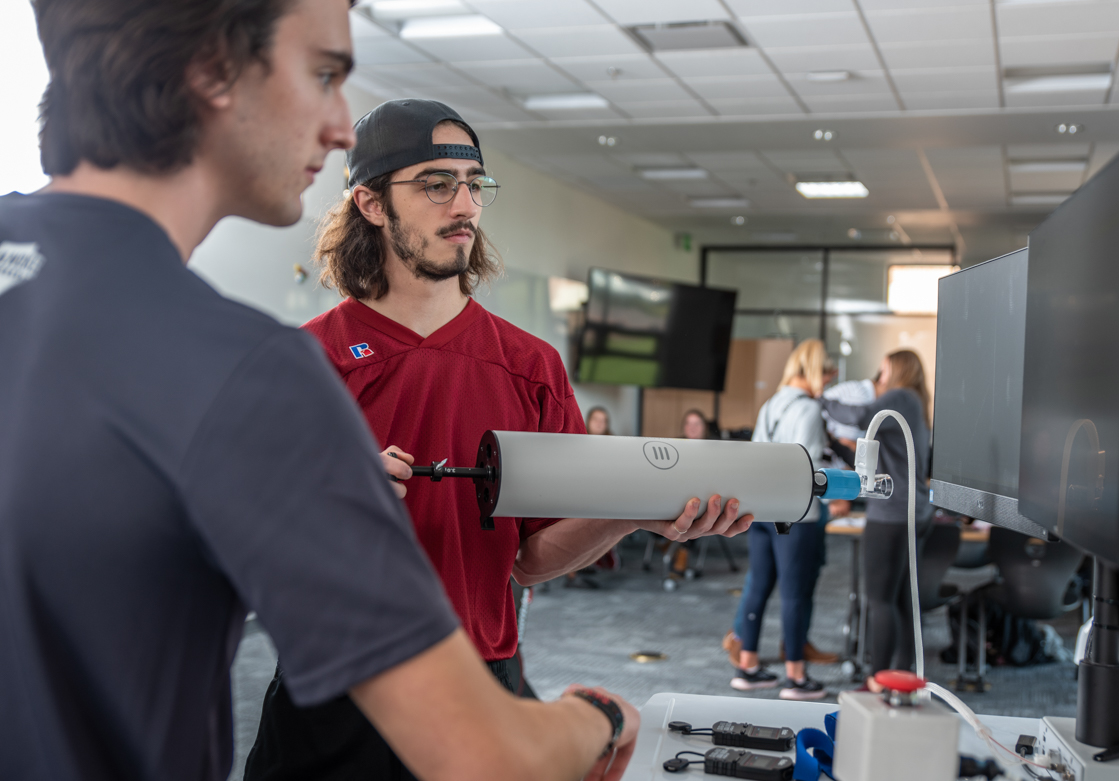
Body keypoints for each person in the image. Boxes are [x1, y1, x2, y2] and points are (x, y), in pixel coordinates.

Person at [0, 1, 640, 778]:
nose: (341, 126)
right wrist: (599, 716)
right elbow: (483, 754)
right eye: (324, 73)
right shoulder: (257, 369)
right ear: (211, 72)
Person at [244, 97, 754, 779]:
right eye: (435, 184)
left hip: (487, 682)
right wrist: (330, 496)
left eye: (473, 184)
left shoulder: (530, 366)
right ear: (369, 203)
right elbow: (246, 555)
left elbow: (530, 559)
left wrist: (630, 512)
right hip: (334, 690)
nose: (464, 204)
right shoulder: (303, 364)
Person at [730, 339, 833, 701]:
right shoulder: (807, 409)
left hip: (761, 508)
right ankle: (795, 676)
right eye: (828, 370)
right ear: (816, 371)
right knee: (795, 593)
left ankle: (748, 666)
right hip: (796, 514)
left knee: (758, 586)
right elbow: (808, 467)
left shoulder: (772, 403)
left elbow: (759, 455)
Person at [822, 349, 935, 674]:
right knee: (900, 598)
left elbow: (859, 417)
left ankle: (878, 679)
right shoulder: (914, 403)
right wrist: (837, 445)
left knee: (880, 599)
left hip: (892, 514)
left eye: (883, 370)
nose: (878, 377)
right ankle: (901, 674)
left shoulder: (900, 397)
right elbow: (876, 459)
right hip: (911, 510)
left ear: (895, 371)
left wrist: (822, 401)